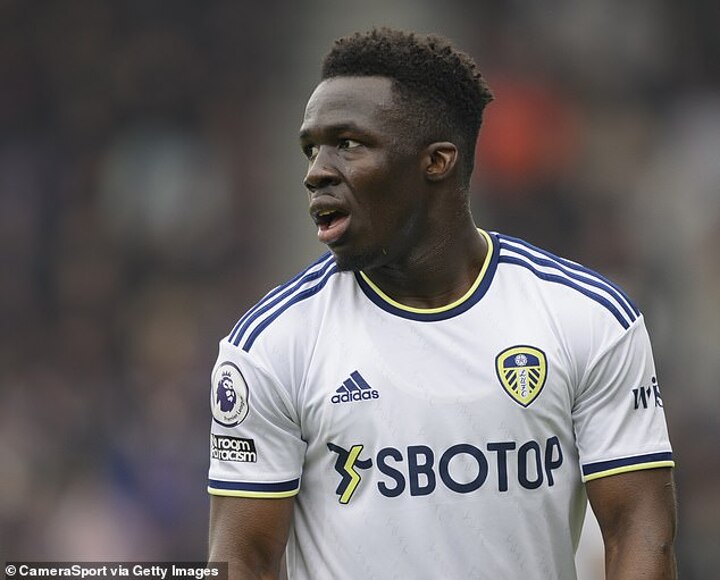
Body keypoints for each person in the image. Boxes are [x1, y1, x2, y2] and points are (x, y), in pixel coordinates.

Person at [207, 28, 677, 579]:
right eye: (312, 149)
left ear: (437, 161)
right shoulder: (269, 347)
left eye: (348, 144)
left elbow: (639, 530)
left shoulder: (587, 319)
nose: (316, 172)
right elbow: (241, 560)